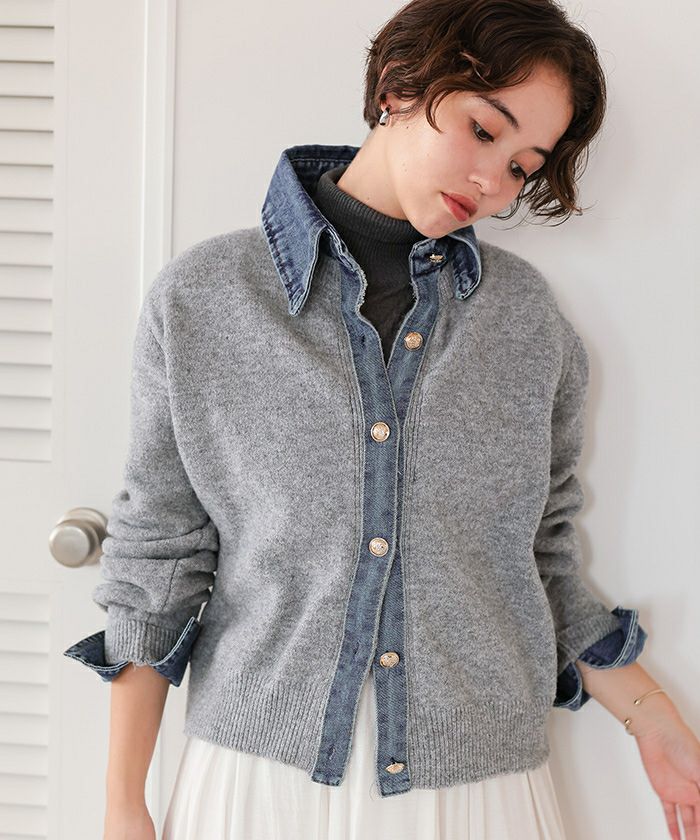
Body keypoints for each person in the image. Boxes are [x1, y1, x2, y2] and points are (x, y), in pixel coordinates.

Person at [63, 0, 700, 838]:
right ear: (399, 86)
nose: (492, 181)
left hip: (478, 793)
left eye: (522, 166)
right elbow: (159, 560)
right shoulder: (205, 301)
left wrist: (654, 720)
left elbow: (539, 560)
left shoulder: (524, 322)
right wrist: (123, 805)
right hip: (258, 786)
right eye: (483, 131)